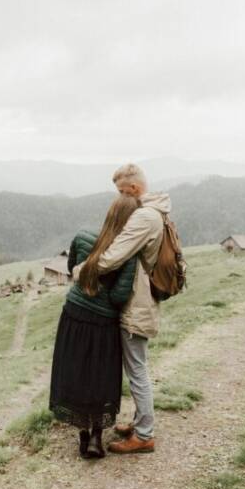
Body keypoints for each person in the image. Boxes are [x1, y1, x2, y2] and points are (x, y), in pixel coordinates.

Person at [76, 163, 170, 454]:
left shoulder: (144, 217)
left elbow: (115, 256)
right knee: (137, 367)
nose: (119, 197)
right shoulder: (158, 211)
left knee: (137, 370)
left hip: (137, 305)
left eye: (121, 191)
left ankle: (144, 436)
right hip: (143, 300)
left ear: (135, 189)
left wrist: (83, 270)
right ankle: (141, 423)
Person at [49, 194, 140, 459]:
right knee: (100, 375)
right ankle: (97, 439)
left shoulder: (82, 235)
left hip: (74, 314)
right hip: (103, 322)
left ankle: (82, 435)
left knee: (76, 371)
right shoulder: (127, 252)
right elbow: (120, 296)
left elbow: (72, 268)